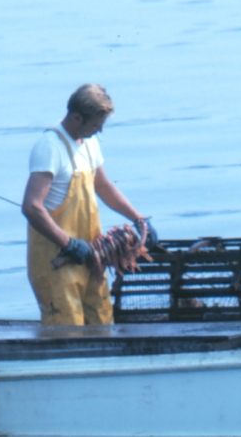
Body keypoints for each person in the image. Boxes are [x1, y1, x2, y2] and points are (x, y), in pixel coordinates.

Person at [22, 83, 156, 325]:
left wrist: (138, 219)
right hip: (57, 262)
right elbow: (32, 207)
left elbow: (103, 186)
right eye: (96, 124)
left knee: (103, 322)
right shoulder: (50, 148)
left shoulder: (89, 142)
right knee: (67, 332)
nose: (99, 130)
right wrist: (69, 244)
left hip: (90, 258)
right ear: (76, 118)